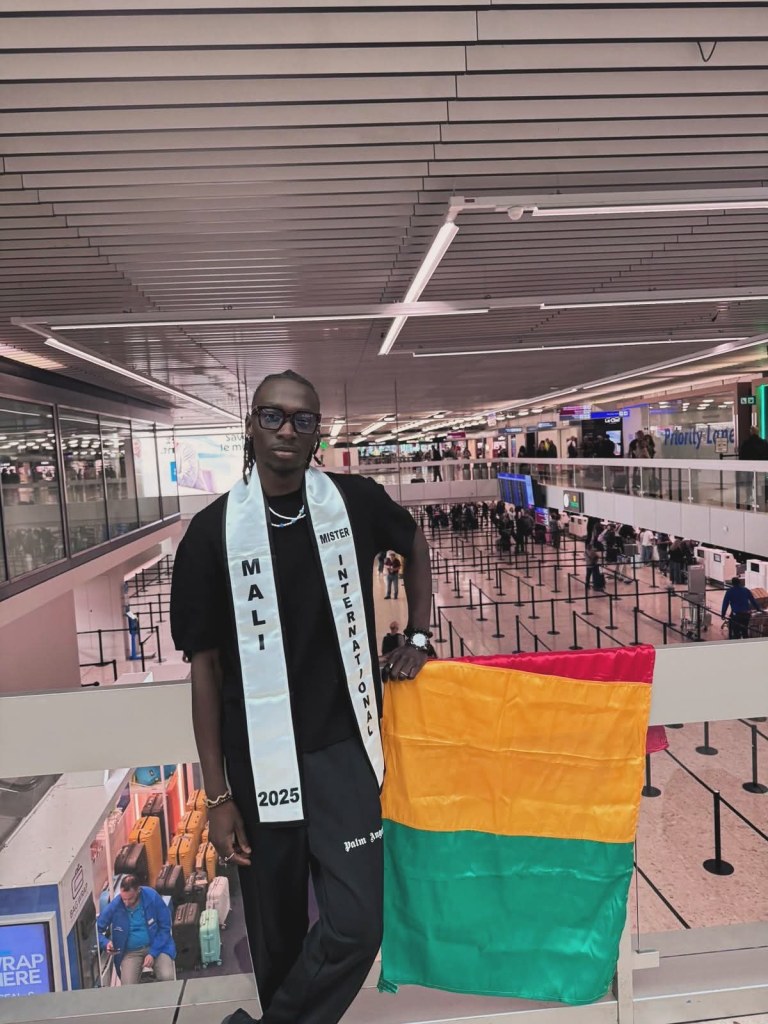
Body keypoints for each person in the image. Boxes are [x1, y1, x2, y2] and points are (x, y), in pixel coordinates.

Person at [170, 370, 434, 1024]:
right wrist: (217, 796)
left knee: (358, 924)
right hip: (258, 766)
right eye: (273, 416)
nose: (287, 430)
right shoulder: (210, 534)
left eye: (302, 419)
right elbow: (205, 670)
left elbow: (413, 542)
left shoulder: (354, 502)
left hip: (343, 752)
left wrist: (419, 635)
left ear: (319, 434)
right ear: (251, 426)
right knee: (277, 939)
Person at [97, 875, 176, 985]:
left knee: (167, 977)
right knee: (128, 986)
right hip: (130, 952)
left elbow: (165, 927)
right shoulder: (115, 905)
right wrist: (105, 943)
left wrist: (153, 953)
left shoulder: (152, 897)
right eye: (123, 899)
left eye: (130, 899)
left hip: (157, 947)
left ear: (138, 891)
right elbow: (96, 931)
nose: (126, 903)